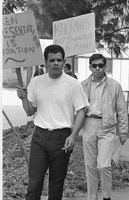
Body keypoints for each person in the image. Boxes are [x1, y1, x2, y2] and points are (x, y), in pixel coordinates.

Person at [17, 44, 89, 200]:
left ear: (64, 62)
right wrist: (23, 98)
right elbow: (30, 111)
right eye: (52, 60)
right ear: (45, 62)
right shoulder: (36, 82)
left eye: (59, 60)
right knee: (34, 183)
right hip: (39, 137)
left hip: (62, 138)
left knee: (56, 185)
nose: (55, 63)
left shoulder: (72, 84)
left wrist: (73, 135)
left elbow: (82, 110)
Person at [80, 53, 128, 200]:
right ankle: (92, 197)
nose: (97, 68)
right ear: (90, 67)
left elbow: (121, 110)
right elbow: (77, 108)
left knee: (104, 165)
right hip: (88, 124)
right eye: (94, 65)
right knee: (90, 166)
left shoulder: (115, 86)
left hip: (107, 126)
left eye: (100, 65)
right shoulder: (83, 85)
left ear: (105, 67)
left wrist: (123, 131)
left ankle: (107, 196)